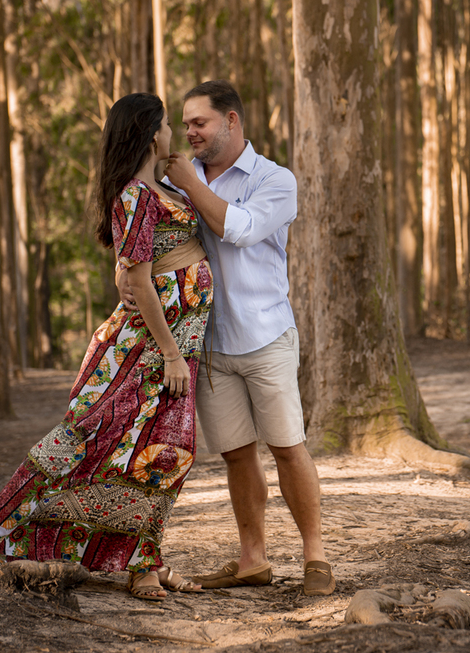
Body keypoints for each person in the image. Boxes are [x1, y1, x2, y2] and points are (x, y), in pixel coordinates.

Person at [0, 93, 213, 602]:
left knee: (163, 452)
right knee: (102, 443)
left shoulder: (159, 188)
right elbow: (141, 282)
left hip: (175, 342)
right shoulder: (134, 196)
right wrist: (170, 352)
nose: (174, 134)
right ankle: (28, 533)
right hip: (145, 349)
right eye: (168, 125)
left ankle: (144, 558)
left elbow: (133, 264)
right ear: (151, 135)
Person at [121, 79, 334, 596]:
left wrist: (190, 183)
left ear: (232, 121)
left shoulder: (274, 180)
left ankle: (315, 558)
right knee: (237, 455)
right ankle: (252, 560)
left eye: (200, 122)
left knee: (288, 448)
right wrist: (127, 276)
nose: (189, 132)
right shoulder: (178, 176)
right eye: (186, 123)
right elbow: (145, 227)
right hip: (207, 345)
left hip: (265, 337)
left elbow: (235, 227)